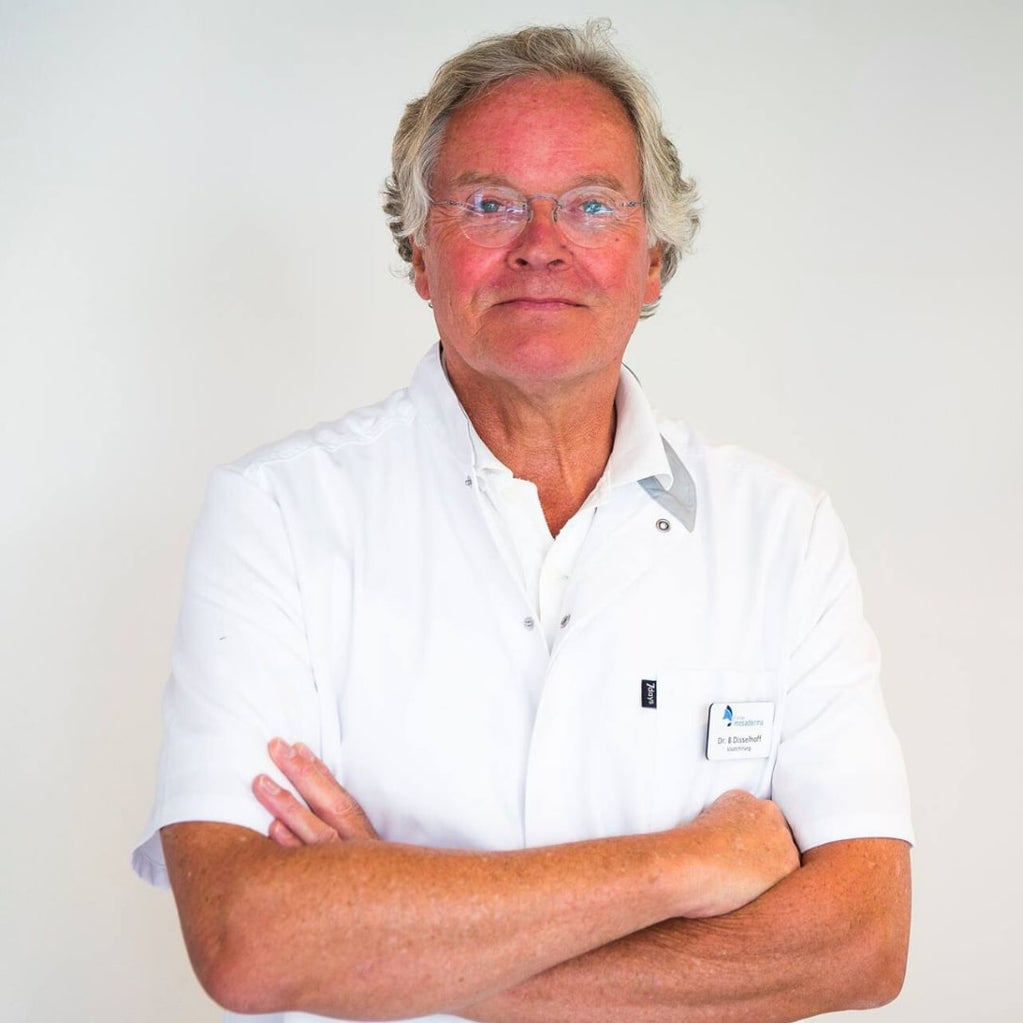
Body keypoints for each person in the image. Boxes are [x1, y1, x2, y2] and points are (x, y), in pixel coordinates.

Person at [133, 21, 913, 1023]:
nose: (542, 246)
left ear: (653, 262)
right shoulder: (279, 514)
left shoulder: (782, 532)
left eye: (591, 205)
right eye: (490, 203)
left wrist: (401, 942)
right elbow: (250, 940)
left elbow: (863, 941)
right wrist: (689, 865)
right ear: (420, 255)